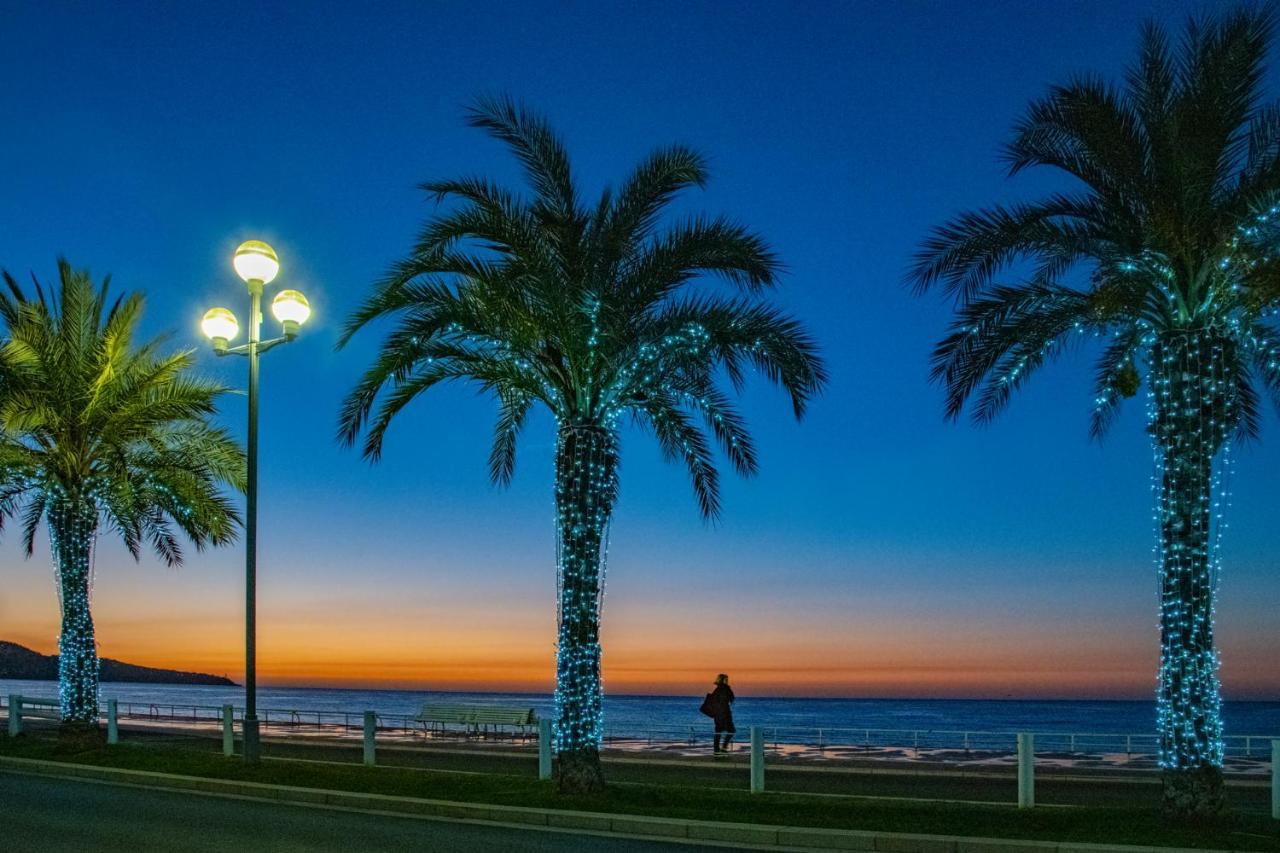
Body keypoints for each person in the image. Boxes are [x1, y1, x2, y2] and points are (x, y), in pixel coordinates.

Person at [707, 673, 735, 754]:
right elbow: (732, 699)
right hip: (725, 713)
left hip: (718, 714)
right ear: (724, 680)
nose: (727, 680)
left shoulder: (717, 689)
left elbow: (714, 702)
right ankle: (724, 747)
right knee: (731, 730)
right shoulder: (726, 689)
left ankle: (716, 749)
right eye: (726, 679)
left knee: (718, 731)